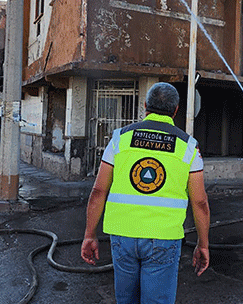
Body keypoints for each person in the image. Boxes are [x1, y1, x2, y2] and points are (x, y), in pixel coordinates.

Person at [81, 82, 210, 304]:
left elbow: (98, 191)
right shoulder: (188, 146)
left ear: (144, 106)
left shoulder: (120, 138)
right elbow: (200, 202)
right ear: (176, 109)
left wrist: (89, 235)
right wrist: (203, 244)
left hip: (123, 234)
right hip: (164, 237)